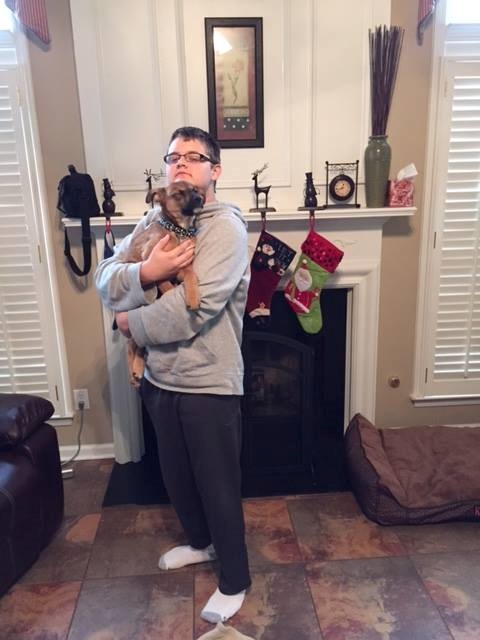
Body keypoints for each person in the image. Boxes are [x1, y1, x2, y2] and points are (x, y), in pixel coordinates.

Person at [95, 126, 251, 623]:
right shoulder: (154, 219)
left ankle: (235, 580)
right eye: (173, 156)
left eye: (194, 156)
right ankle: (201, 544)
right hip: (160, 378)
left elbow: (193, 308)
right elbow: (105, 277)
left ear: (215, 170)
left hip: (209, 382)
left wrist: (128, 322)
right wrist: (144, 273)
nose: (181, 162)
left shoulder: (224, 228)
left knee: (217, 486)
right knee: (178, 478)